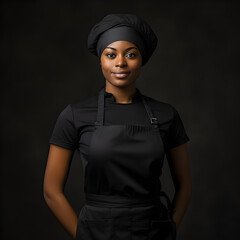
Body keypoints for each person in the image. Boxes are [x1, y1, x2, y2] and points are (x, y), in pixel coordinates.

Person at [43, 13, 192, 240]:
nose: (120, 62)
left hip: (153, 230)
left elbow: (185, 184)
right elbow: (51, 191)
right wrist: (84, 235)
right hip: (96, 232)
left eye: (131, 54)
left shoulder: (166, 115)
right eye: (111, 55)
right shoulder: (75, 114)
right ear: (100, 59)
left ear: (142, 59)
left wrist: (169, 229)